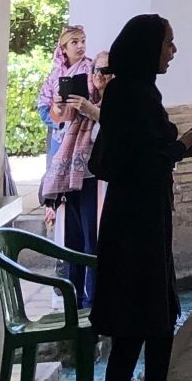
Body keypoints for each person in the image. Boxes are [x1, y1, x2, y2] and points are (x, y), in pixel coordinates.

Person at [88, 14, 192, 381]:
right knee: (134, 318)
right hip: (133, 223)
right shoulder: (132, 96)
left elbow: (148, 152)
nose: (173, 51)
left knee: (161, 313)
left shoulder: (138, 92)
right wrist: (182, 144)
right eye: (167, 43)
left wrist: (181, 145)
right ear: (148, 47)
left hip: (145, 217)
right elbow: (141, 162)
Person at [40, 46, 109, 304]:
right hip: (71, 181)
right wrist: (62, 105)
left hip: (97, 182)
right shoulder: (83, 99)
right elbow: (58, 120)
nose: (101, 75)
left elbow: (113, 127)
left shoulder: (115, 103)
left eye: (107, 70)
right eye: (97, 69)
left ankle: (93, 302)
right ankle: (75, 300)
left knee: (94, 243)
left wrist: (93, 110)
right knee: (74, 243)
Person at [37, 25, 87, 175]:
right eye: (74, 42)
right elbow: (43, 106)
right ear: (63, 48)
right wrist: (57, 113)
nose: (80, 46)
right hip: (60, 138)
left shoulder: (92, 70)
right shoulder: (54, 76)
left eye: (83, 41)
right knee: (58, 188)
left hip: (85, 137)